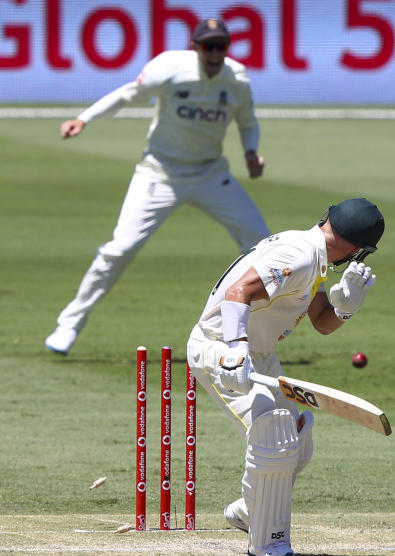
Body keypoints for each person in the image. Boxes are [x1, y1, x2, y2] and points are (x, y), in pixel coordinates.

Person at [45, 18, 271, 356]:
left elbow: (248, 123)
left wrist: (251, 152)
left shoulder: (236, 79)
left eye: (220, 46)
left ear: (226, 48)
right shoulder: (169, 67)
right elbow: (128, 94)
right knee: (119, 249)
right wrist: (84, 118)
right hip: (159, 172)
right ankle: (69, 324)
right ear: (195, 47)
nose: (214, 53)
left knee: (264, 247)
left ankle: (266, 332)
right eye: (207, 46)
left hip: (211, 174)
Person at [186, 197, 385, 556]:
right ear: (358, 250)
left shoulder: (314, 255)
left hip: (258, 355)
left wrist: (345, 308)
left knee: (299, 431)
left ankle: (249, 513)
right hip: (220, 348)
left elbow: (322, 321)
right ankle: (267, 543)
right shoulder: (301, 255)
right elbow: (238, 292)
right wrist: (235, 348)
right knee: (273, 430)